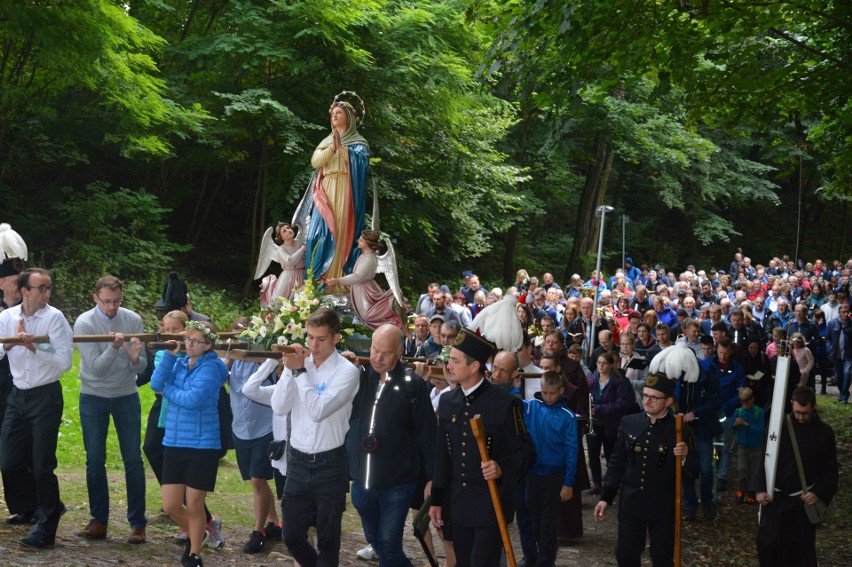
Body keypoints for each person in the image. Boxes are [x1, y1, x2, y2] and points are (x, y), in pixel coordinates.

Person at [429, 329, 535, 567]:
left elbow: (527, 453)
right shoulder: (448, 401)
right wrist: (437, 500)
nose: (449, 366)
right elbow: (442, 457)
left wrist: (501, 467)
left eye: (455, 361)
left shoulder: (506, 403)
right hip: (458, 504)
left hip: (491, 504)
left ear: (475, 366)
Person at [270, 307, 360, 566]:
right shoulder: (301, 364)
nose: (314, 344)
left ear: (336, 338)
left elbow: (318, 410)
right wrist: (290, 371)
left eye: (321, 339)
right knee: (291, 535)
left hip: (330, 462)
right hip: (297, 460)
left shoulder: (347, 372)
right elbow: (278, 407)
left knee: (328, 540)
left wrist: (299, 373)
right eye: (310, 337)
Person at [345, 324, 436, 566]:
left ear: (399, 352)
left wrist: (432, 477)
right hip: (362, 480)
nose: (377, 357)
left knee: (389, 541)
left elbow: (428, 433)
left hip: (398, 481)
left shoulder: (412, 384)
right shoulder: (358, 377)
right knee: (376, 539)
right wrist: (341, 365)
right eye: (374, 349)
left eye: (386, 352)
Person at [0, 268, 73, 549]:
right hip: (17, 396)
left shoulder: (54, 319)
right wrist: (10, 343)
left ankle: (46, 528)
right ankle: (40, 506)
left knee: (42, 464)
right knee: (8, 462)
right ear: (24, 291)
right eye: (41, 288)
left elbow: (64, 362)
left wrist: (35, 348)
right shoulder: (6, 318)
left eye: (48, 288)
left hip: (45, 396)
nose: (47, 293)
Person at [593, 373, 697, 567]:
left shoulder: (680, 430)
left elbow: (694, 472)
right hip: (631, 504)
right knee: (625, 556)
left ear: (668, 401)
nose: (647, 401)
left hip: (663, 507)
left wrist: (684, 458)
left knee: (662, 558)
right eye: (645, 395)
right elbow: (616, 463)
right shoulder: (629, 423)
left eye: (654, 397)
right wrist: (605, 497)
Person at [73, 276, 148, 543]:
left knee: (133, 460)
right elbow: (95, 368)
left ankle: (138, 523)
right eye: (106, 301)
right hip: (93, 395)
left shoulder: (132, 319)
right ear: (96, 298)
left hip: (126, 394)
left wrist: (136, 358)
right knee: (95, 459)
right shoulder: (84, 323)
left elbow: (140, 368)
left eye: (116, 301)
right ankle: (99, 520)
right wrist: (116, 349)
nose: (112, 307)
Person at [151, 321, 229, 567]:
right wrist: (168, 358)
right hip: (174, 441)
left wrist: (168, 390)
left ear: (208, 345)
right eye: (188, 339)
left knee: (194, 504)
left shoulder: (214, 367)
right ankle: (201, 534)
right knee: (171, 506)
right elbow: (155, 384)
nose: (189, 344)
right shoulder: (180, 362)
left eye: (195, 341)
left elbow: (193, 399)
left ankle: (194, 553)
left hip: (202, 445)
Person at [752, 386, 838, 567]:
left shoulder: (824, 433)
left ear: (813, 407)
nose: (800, 417)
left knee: (799, 551)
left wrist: (818, 492)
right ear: (792, 404)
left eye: (805, 414)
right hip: (775, 498)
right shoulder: (777, 427)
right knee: (769, 545)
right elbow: (763, 455)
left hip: (801, 502)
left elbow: (830, 470)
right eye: (797, 412)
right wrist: (759, 489)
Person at [301, 98, 369, 286]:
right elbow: (315, 162)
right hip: (326, 189)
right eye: (332, 114)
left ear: (348, 117)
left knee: (340, 230)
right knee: (318, 233)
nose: (334, 116)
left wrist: (343, 149)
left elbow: (362, 165)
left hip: (346, 189)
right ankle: (316, 281)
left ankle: (337, 281)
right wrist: (332, 147)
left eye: (338, 113)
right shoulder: (326, 141)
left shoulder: (358, 142)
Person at [0, 228, 37, 526]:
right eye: (16, 283)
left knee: (21, 446)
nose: (20, 288)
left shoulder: (30, 309)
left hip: (23, 385)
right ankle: (24, 505)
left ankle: (31, 505)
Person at [522, 370, 578, 567]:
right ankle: (540, 550)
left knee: (548, 521)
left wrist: (568, 483)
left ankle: (546, 560)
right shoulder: (531, 407)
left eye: (553, 393)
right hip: (533, 473)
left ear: (561, 391)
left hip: (555, 476)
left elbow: (573, 450)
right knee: (534, 518)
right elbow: (510, 403)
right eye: (545, 393)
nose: (548, 397)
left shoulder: (567, 416)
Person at [228, 356, 282, 554]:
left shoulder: (266, 360)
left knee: (258, 479)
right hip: (240, 428)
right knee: (257, 480)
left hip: (265, 428)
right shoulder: (233, 359)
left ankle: (258, 532)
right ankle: (274, 523)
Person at [326, 229, 403, 331]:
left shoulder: (370, 258)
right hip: (360, 288)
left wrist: (338, 281)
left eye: (361, 240)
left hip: (365, 291)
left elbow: (357, 277)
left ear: (368, 243)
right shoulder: (364, 255)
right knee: (359, 314)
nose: (358, 241)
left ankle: (386, 321)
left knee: (367, 315)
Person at [586, 352, 634, 495]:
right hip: (593, 423)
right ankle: (596, 484)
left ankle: (611, 483)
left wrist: (600, 408)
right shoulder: (591, 380)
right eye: (599, 362)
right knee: (593, 454)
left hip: (610, 424)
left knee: (610, 455)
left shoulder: (618, 382)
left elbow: (621, 405)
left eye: (604, 363)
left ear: (612, 365)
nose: (601, 366)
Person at [255, 221, 306, 304]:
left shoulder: (300, 242)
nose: (288, 230)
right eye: (284, 231)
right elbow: (289, 262)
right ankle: (269, 285)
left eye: (288, 228)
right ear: (281, 237)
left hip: (301, 275)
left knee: (297, 302)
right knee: (278, 302)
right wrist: (301, 250)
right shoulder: (281, 249)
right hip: (288, 277)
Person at [731, 387, 764, 504]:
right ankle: (741, 491)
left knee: (753, 469)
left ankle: (751, 492)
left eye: (748, 403)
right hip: (742, 445)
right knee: (742, 469)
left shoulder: (759, 412)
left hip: (755, 446)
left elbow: (760, 429)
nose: (746, 406)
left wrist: (747, 424)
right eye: (743, 403)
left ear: (753, 400)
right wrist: (735, 424)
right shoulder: (738, 412)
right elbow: (732, 427)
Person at [825, 304, 851, 403]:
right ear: (839, 313)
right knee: (838, 376)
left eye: (847, 312)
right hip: (836, 353)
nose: (846, 314)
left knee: (847, 373)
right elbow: (827, 338)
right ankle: (843, 393)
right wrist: (829, 348)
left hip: (848, 354)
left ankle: (844, 396)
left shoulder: (850, 323)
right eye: (844, 312)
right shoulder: (832, 323)